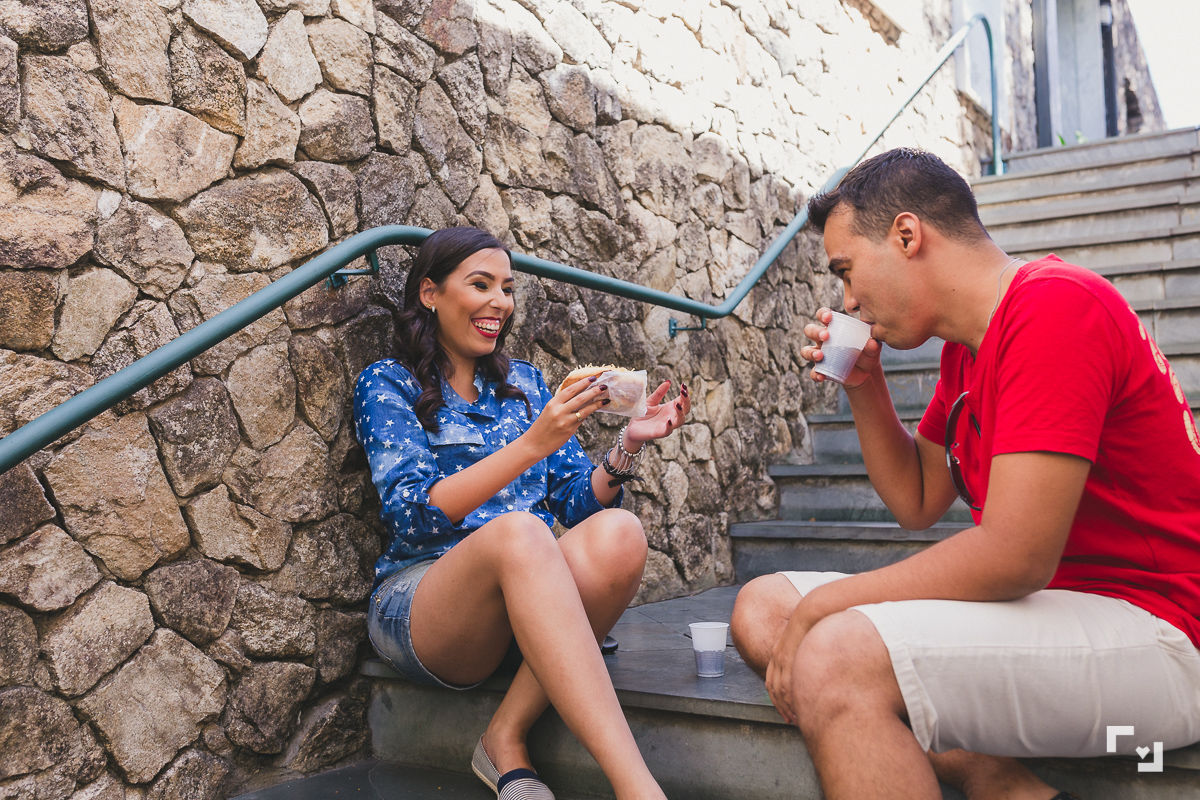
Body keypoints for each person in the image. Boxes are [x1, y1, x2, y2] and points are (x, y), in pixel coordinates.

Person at [730, 148, 1200, 799]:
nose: (848, 299)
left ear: (906, 234)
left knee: (835, 653)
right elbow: (918, 500)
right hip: (1048, 618)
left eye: (847, 270)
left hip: (1158, 636)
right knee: (763, 607)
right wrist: (865, 388)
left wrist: (827, 608)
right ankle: (996, 779)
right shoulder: (966, 351)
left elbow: (1016, 555)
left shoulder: (1057, 309)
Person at [354, 227, 691, 800]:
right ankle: (639, 789)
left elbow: (577, 504)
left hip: (529, 596)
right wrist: (531, 445)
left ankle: (504, 737)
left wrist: (627, 445)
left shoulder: (526, 385)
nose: (499, 303)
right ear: (430, 294)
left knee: (620, 533)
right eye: (480, 285)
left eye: (507, 288)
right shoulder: (388, 383)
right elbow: (413, 515)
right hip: (427, 604)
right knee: (520, 533)